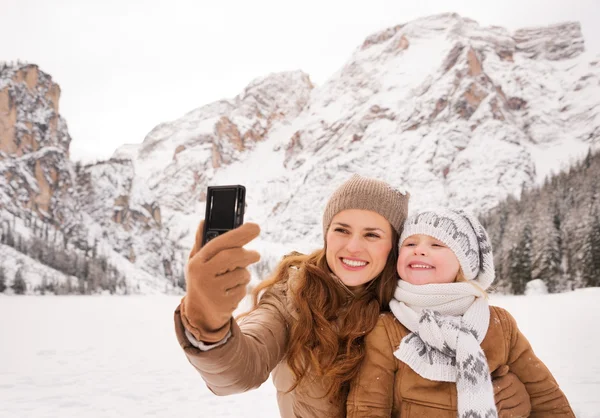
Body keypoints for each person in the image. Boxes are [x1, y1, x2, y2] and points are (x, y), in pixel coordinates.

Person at [174, 175, 531, 418]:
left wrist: (509, 399)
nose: (353, 246)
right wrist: (208, 325)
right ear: (326, 235)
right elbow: (238, 371)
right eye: (341, 230)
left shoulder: (417, 304)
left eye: (372, 234)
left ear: (393, 244)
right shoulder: (291, 298)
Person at [346, 208, 575, 417]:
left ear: (464, 264)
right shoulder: (386, 328)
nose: (420, 251)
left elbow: (547, 399)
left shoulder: (499, 324)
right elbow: (367, 409)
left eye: (437, 245)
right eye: (410, 244)